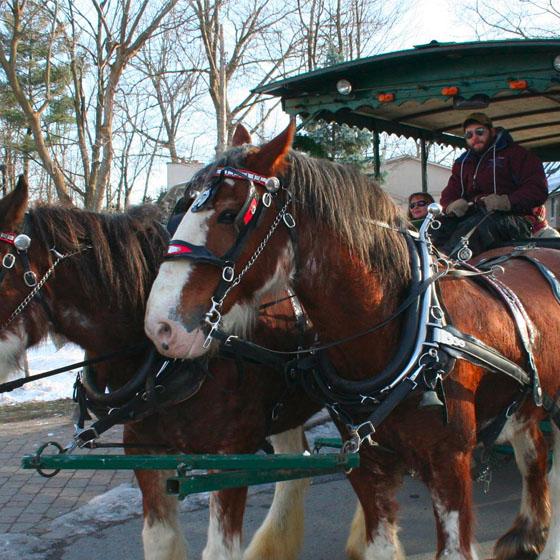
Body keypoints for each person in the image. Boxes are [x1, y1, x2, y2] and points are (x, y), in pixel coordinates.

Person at [431, 112, 548, 257]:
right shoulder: (463, 163)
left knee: (475, 229)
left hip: (515, 218)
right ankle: (425, 265)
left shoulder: (517, 154)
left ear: (492, 131)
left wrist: (507, 202)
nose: (475, 137)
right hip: (474, 215)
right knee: (436, 227)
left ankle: (448, 266)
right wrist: (451, 205)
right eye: (469, 135)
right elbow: (450, 193)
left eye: (480, 132)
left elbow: (538, 190)